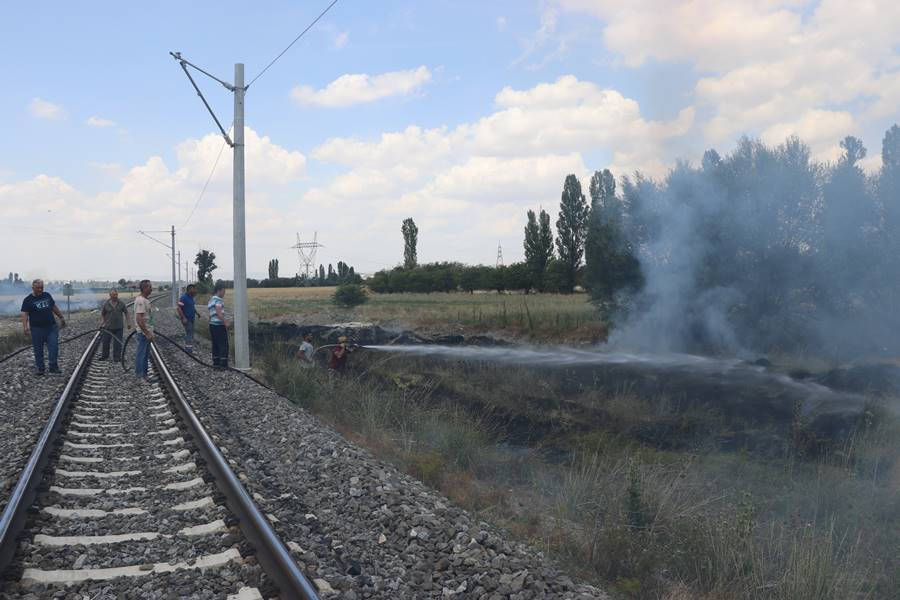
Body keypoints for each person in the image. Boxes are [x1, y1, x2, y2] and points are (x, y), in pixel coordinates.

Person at [20, 279, 66, 375]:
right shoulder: (28, 300)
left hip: (51, 328)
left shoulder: (47, 295)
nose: (40, 289)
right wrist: (25, 327)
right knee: (38, 350)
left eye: (42, 287)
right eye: (38, 288)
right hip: (37, 329)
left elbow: (54, 307)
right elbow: (24, 314)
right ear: (33, 288)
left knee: (54, 348)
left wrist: (61, 317)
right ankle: (40, 368)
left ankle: (53, 367)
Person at [99, 288, 130, 361]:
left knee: (117, 343)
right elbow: (103, 314)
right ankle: (105, 356)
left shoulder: (121, 303)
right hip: (108, 327)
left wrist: (128, 322)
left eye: (116, 295)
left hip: (119, 327)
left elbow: (126, 313)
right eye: (113, 295)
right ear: (110, 295)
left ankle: (117, 357)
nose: (115, 296)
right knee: (105, 342)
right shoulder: (106, 304)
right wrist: (102, 323)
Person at [133, 280, 155, 382]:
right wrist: (146, 332)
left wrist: (150, 331)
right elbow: (139, 318)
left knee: (145, 354)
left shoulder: (145, 300)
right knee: (141, 354)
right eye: (150, 287)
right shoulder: (141, 301)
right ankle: (140, 376)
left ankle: (144, 375)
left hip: (146, 332)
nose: (151, 289)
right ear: (145, 288)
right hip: (143, 333)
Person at [207, 282, 229, 368]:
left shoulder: (211, 300)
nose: (224, 293)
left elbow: (210, 314)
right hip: (219, 325)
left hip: (212, 325)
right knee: (223, 344)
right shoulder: (218, 300)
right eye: (224, 291)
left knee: (215, 344)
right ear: (219, 290)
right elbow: (219, 312)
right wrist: (225, 322)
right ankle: (223, 364)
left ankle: (216, 362)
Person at [176, 284, 202, 353]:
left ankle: (188, 346)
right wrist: (183, 318)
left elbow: (192, 307)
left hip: (191, 319)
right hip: (187, 319)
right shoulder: (183, 298)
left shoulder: (191, 298)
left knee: (190, 333)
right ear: (189, 290)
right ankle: (188, 350)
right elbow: (178, 308)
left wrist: (197, 313)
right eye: (194, 289)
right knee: (189, 333)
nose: (195, 291)